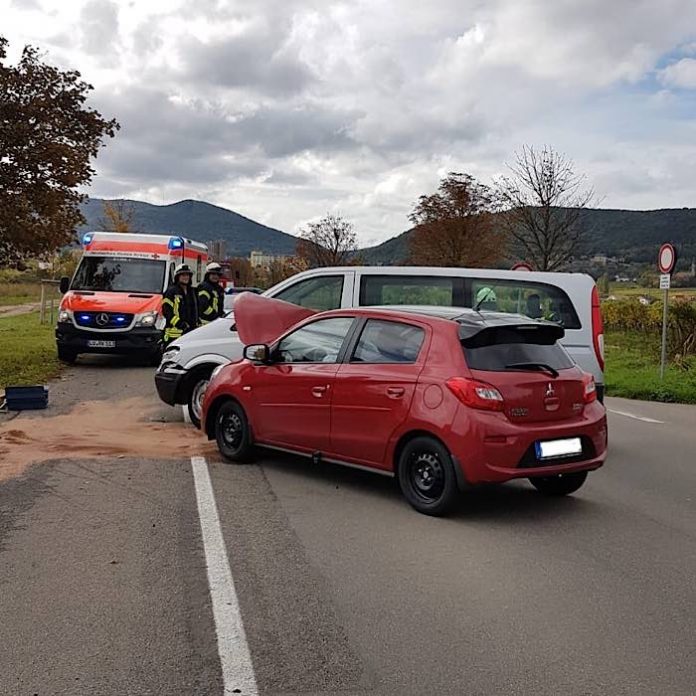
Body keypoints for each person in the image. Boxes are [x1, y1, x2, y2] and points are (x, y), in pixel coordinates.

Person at [162, 263, 198, 346]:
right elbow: (167, 311)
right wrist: (180, 324)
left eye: (187, 275)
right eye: (183, 275)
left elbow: (195, 309)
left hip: (189, 332)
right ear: (177, 277)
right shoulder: (171, 291)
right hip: (173, 333)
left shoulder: (191, 292)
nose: (186, 277)